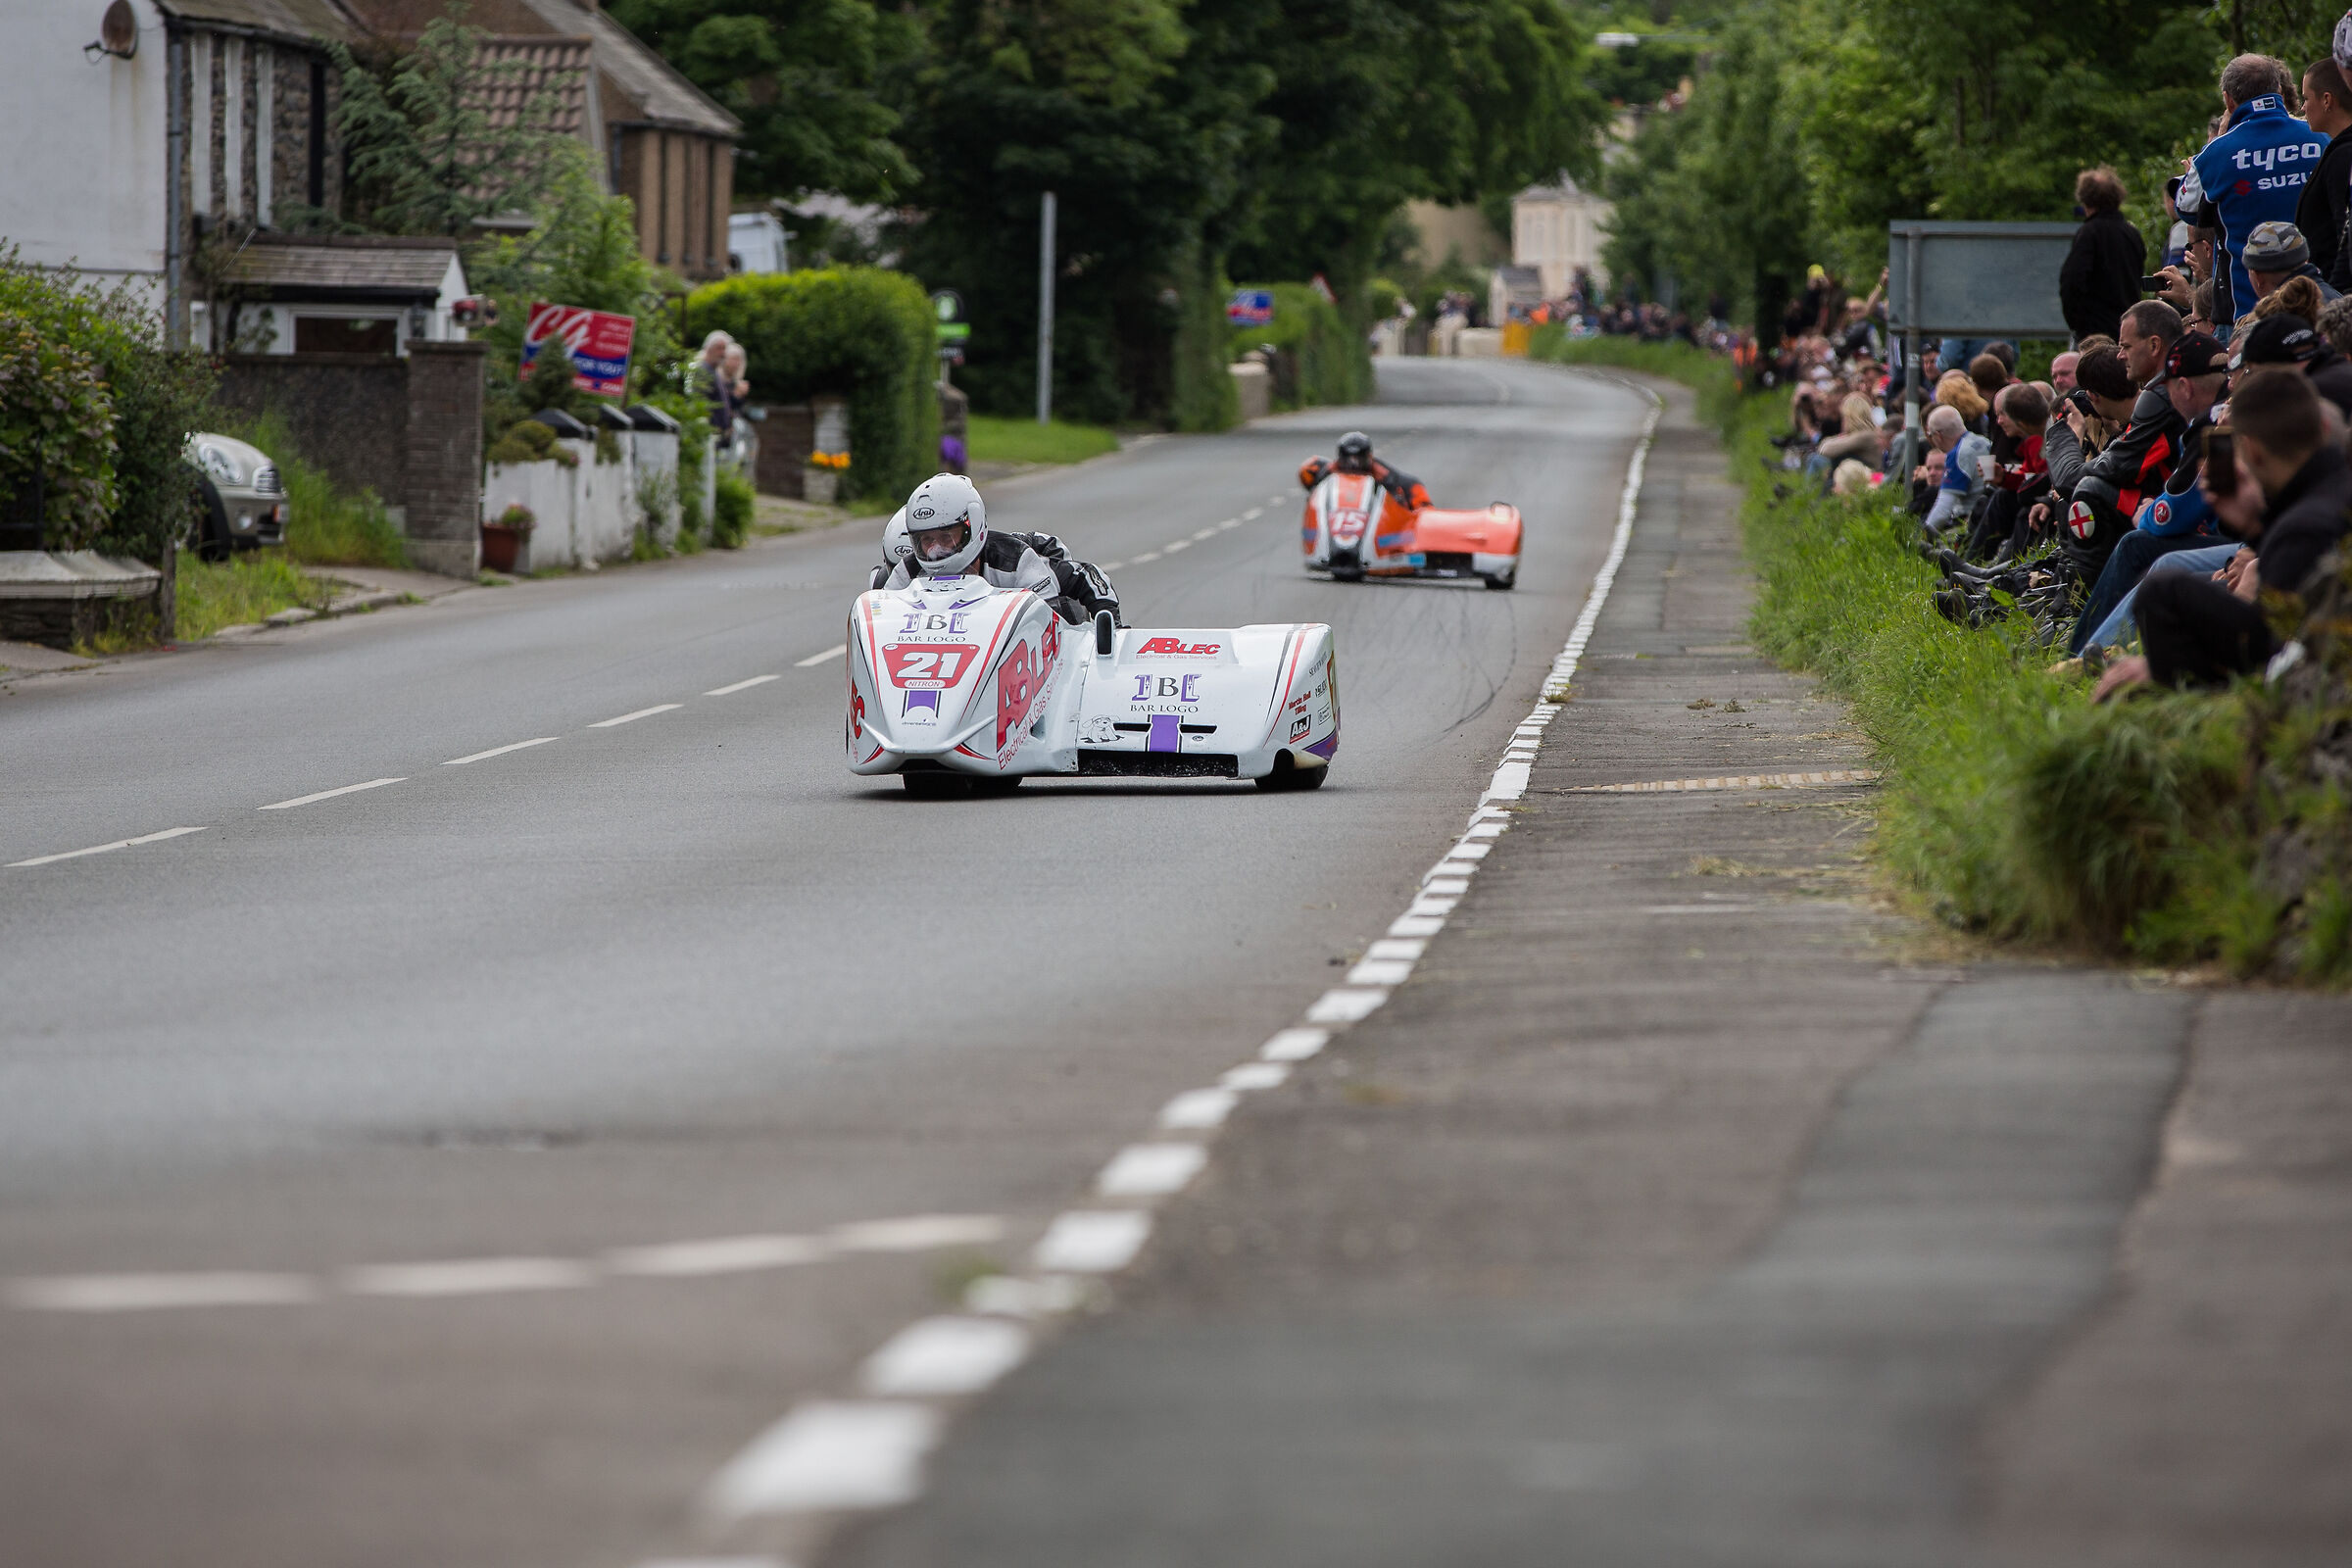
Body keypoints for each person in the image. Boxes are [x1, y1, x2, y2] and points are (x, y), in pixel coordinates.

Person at [2094, 367, 2350, 696]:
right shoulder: (2329, 491)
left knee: (2162, 590)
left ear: (2252, 451)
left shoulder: (2302, 528)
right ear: (2324, 427)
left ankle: (2180, 703)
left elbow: (2277, 654)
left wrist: (2162, 669)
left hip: (2305, 686)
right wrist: (2254, 528)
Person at [2067, 330, 2231, 652]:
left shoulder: (2215, 428)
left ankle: (2082, 653)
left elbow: (2176, 512)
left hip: (2248, 544)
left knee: (2138, 544)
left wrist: (2147, 515)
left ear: (2183, 387)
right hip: (2250, 538)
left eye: (2167, 389)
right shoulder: (2224, 417)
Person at [2188, 57, 2318, 321]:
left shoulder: (2216, 154)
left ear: (2228, 101)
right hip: (2320, 305)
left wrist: (2223, 137)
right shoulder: (2323, 136)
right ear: (2279, 92)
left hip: (2248, 314)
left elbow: (2186, 207)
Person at [2060, 167, 2145, 342]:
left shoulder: (2089, 233)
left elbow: (2072, 280)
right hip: (2127, 329)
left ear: (2085, 199)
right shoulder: (2131, 233)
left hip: (2095, 331)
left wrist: (2078, 324)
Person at [2297, 56, 2352, 289]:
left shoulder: (2344, 156)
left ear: (2327, 100)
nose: (2302, 107)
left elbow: (2346, 235)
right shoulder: (2339, 151)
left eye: (2306, 98)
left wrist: (2334, 300)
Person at [1298, 430, 1432, 514]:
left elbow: (1403, 494)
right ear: (1340, 457)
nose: (1353, 465)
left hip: (1371, 518)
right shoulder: (1328, 472)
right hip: (1338, 516)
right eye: (1348, 459)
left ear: (1369, 457)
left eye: (1358, 459)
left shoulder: (1384, 474)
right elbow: (1314, 492)